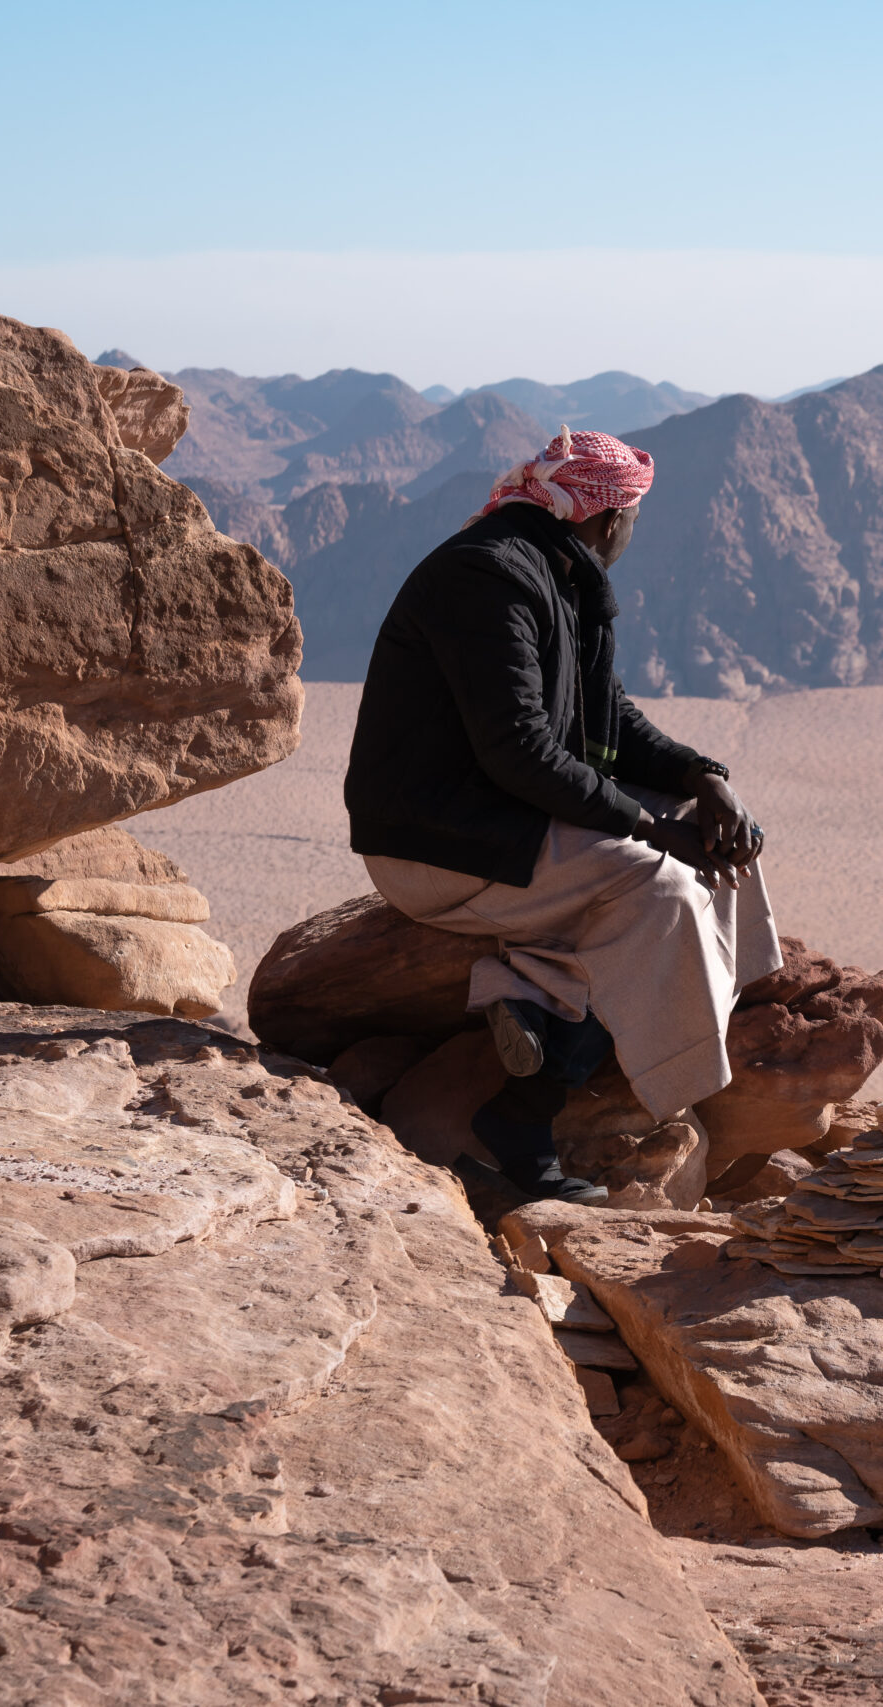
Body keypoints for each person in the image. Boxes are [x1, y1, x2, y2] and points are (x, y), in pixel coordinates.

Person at [343, 427, 780, 1204]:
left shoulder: (558, 572)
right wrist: (649, 830)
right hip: (441, 845)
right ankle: (526, 1114)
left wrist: (701, 778)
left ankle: (549, 1016)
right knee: (665, 886)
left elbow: (605, 718)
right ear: (606, 517)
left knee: (713, 839)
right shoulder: (488, 578)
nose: (632, 532)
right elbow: (521, 750)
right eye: (633, 517)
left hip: (506, 825)